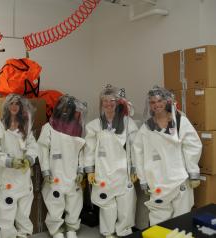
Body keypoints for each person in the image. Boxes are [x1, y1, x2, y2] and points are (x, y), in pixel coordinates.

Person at [133, 86, 202, 225]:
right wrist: (143, 180)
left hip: (179, 178)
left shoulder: (180, 121)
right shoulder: (146, 127)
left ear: (166, 102)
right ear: (149, 105)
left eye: (160, 101)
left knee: (182, 217)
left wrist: (194, 172)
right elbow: (138, 154)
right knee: (158, 217)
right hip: (157, 179)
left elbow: (193, 146)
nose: (156, 105)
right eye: (152, 102)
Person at [84, 84, 138, 238]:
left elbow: (135, 148)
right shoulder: (94, 125)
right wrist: (90, 170)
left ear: (118, 103)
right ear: (101, 104)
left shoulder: (128, 123)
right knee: (107, 204)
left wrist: (135, 168)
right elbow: (89, 149)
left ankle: (124, 231)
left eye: (111, 101)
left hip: (123, 171)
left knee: (126, 204)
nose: (108, 104)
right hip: (104, 170)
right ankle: (108, 232)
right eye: (105, 101)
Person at [0, 94, 38, 238]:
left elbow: (33, 146)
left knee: (24, 212)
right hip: (6, 177)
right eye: (11, 103)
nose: (14, 106)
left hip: (23, 178)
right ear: (6, 106)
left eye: (17, 104)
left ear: (21, 107)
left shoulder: (25, 127)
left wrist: (29, 159)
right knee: (6, 212)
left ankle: (24, 234)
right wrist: (9, 161)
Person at [38, 95, 87, 238]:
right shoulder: (48, 127)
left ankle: (71, 227)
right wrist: (45, 171)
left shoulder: (77, 128)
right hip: (55, 171)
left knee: (74, 199)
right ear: (58, 109)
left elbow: (82, 151)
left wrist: (80, 169)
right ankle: (56, 229)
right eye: (63, 108)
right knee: (55, 199)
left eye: (68, 108)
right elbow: (42, 149)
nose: (65, 111)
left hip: (72, 172)